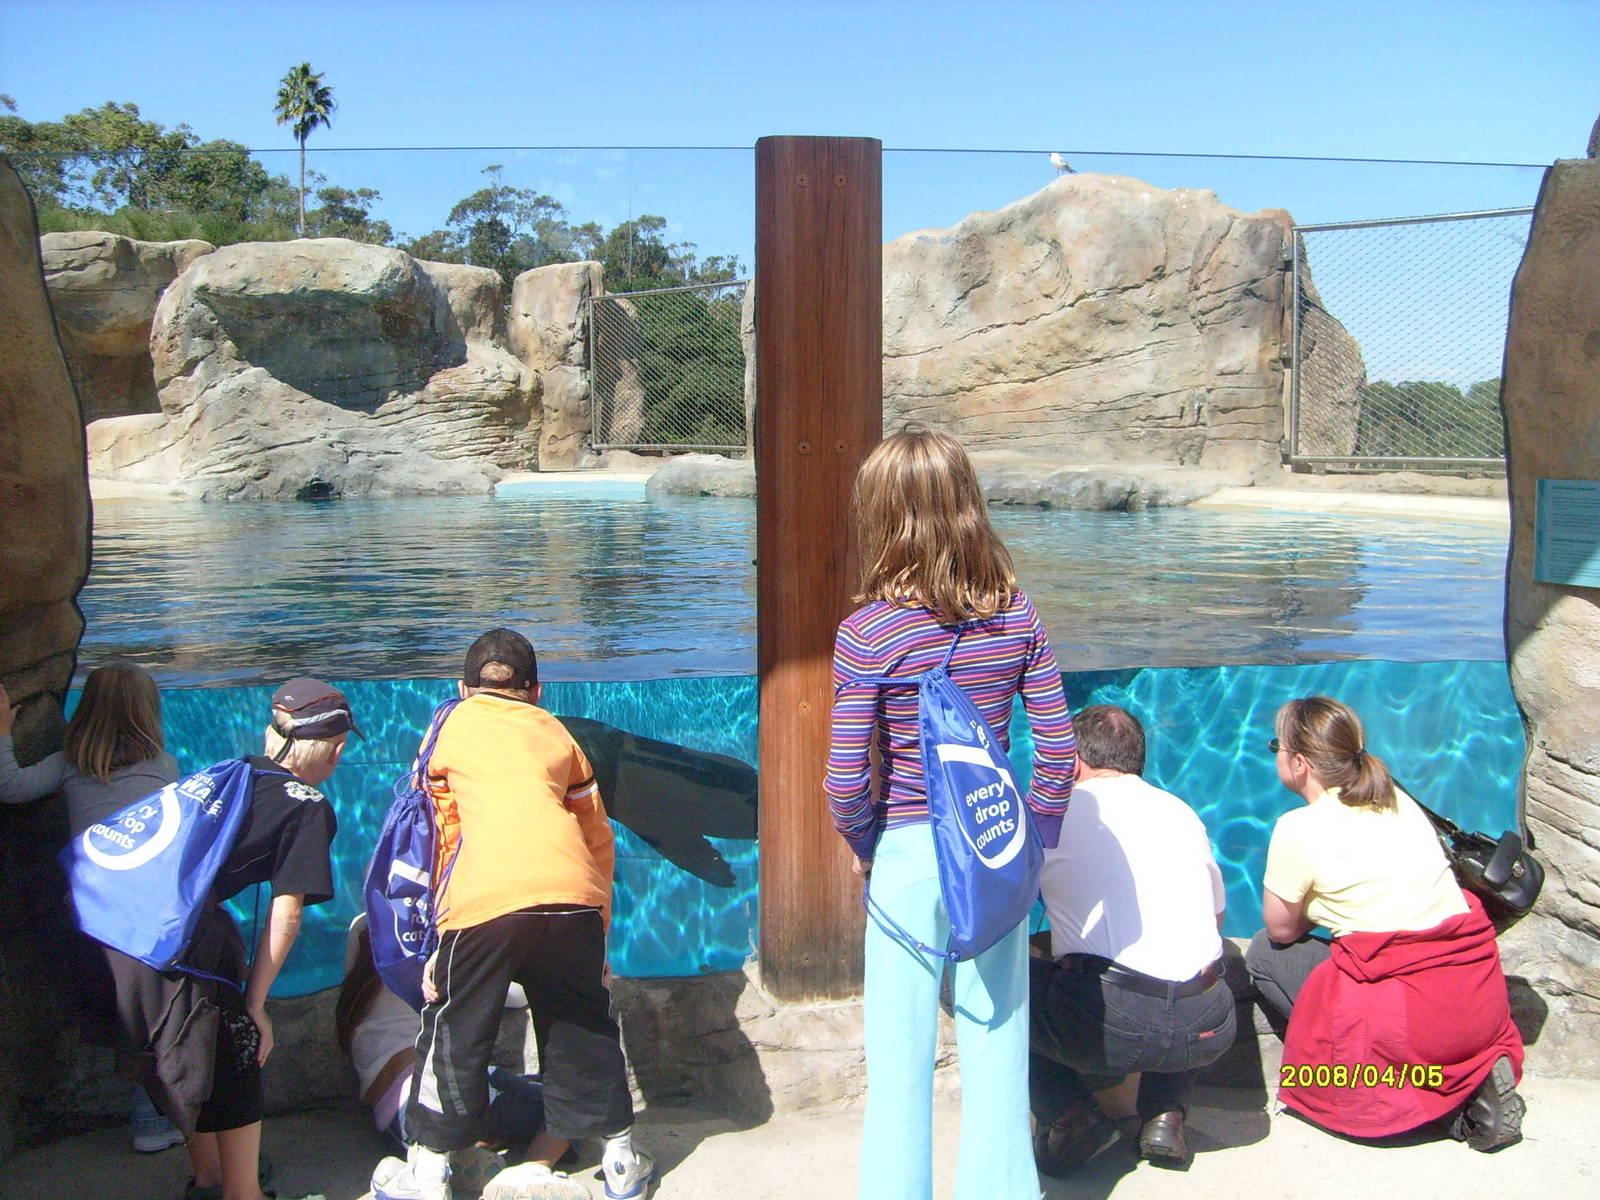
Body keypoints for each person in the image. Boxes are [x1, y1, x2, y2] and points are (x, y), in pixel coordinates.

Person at [825, 427, 1077, 1200]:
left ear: (882, 515)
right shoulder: (1017, 617)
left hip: (906, 857)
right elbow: (1060, 758)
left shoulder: (867, 634)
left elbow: (843, 779)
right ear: (968, 505)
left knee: (899, 1063)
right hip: (992, 853)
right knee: (998, 1047)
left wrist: (869, 841)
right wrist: (1030, 850)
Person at [374, 629, 651, 1200]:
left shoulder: (448, 724)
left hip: (485, 903)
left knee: (455, 1031)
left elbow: (440, 835)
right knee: (582, 1026)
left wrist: (438, 938)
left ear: (462, 686)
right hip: (573, 896)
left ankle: (427, 1174)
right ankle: (622, 1163)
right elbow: (596, 836)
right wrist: (596, 931)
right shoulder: (557, 732)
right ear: (537, 691)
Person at [103, 676, 356, 1200]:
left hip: (116, 923)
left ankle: (211, 1177)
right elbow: (286, 916)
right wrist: (257, 1004)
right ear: (333, 750)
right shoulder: (307, 804)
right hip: (171, 934)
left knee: (191, 1056)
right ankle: (243, 1193)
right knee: (238, 1049)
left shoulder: (232, 770)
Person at [1245, 695, 1526, 1151]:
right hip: (1477, 1000)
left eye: (1276, 745)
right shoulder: (1399, 800)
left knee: (1262, 953)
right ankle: (1474, 1079)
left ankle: (1450, 1108)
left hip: (1410, 1021)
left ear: (1298, 763)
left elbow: (1281, 929)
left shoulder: (1298, 828)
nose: (1275, 753)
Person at [1027, 705, 1234, 1173]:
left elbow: (998, 912)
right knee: (1178, 963)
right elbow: (1214, 923)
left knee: (974, 980)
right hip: (1210, 1024)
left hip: (1109, 1027)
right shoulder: (1181, 811)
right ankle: (1165, 1114)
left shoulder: (1050, 812)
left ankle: (1068, 1113)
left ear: (1073, 761)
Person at [0, 664, 186, 1154]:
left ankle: (150, 1115)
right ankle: (153, 1120)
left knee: (123, 1015)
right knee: (149, 1016)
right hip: (147, 918)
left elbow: (11, 787)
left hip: (88, 916)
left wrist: (2, 730)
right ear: (148, 713)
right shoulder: (163, 767)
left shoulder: (68, 763)